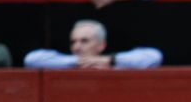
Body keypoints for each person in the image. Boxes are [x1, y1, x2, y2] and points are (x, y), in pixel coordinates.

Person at [23, 19, 162, 69]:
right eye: (73, 42)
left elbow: (154, 56)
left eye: (84, 41)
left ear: (101, 45)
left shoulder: (116, 64)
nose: (76, 47)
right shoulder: (64, 65)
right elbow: (31, 60)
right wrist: (76, 61)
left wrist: (110, 60)